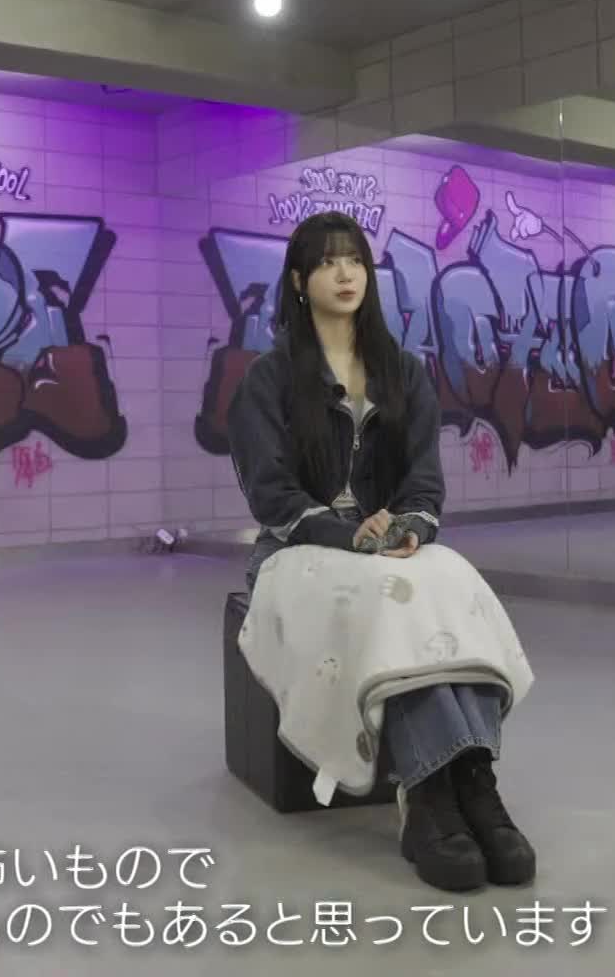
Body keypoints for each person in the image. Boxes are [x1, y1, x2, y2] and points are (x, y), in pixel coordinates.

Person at [226, 211, 536, 891]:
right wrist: (350, 535)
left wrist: (411, 529)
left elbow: (424, 481)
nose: (345, 274)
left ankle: (474, 779)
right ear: (299, 280)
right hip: (298, 546)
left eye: (355, 261)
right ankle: (428, 794)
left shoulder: (403, 373)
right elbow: (271, 494)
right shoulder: (269, 379)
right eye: (327, 262)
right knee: (385, 599)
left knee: (452, 579)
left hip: (385, 545)